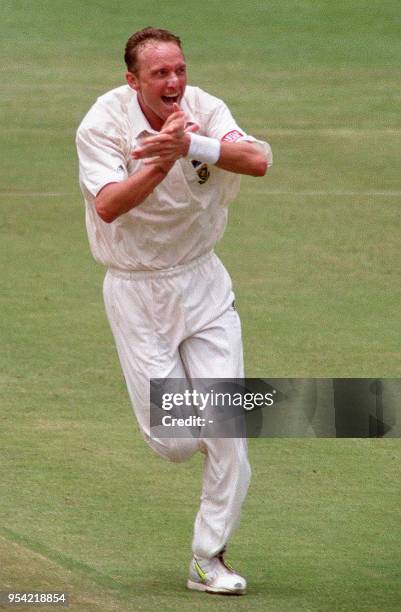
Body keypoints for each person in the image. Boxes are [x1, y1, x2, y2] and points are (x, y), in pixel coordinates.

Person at [76, 27, 272, 595]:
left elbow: (256, 160)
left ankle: (208, 560)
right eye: (160, 73)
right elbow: (110, 205)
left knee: (228, 429)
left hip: (204, 283)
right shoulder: (101, 124)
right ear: (132, 79)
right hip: (137, 291)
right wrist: (159, 163)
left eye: (179, 70)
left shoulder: (204, 110)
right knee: (180, 439)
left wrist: (191, 145)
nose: (175, 83)